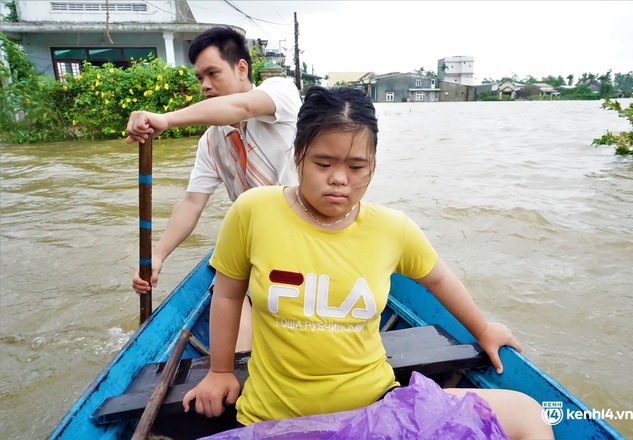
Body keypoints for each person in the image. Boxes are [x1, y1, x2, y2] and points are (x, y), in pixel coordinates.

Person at [181, 86, 554, 439]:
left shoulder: (391, 229)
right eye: (323, 163)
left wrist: (483, 329)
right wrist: (220, 370)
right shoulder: (254, 211)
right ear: (298, 155)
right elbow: (229, 295)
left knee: (529, 414)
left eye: (357, 167)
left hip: (375, 413)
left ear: (373, 165)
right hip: (275, 421)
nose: (339, 179)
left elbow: (439, 279)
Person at [125, 27, 301, 350]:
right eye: (199, 78)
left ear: (241, 69)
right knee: (235, 322)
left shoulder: (280, 93)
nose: (205, 85)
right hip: (259, 246)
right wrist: (157, 256)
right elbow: (192, 202)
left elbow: (242, 108)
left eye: (213, 73)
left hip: (306, 235)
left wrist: (165, 119)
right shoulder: (212, 142)